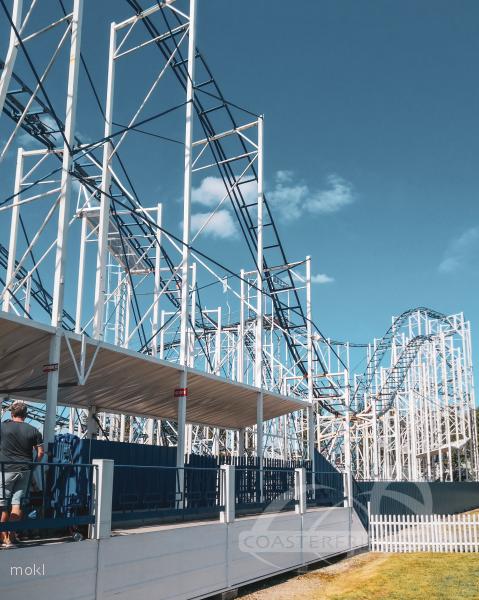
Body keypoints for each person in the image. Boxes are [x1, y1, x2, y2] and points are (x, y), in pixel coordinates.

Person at [0, 401, 44, 548]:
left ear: (12, 414)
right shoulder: (34, 430)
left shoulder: (3, 426)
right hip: (25, 470)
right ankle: (11, 538)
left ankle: (3, 537)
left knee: (3, 504)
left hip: (5, 469)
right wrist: (34, 465)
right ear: (26, 415)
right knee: (16, 503)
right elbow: (41, 452)